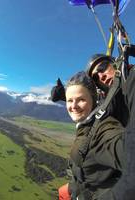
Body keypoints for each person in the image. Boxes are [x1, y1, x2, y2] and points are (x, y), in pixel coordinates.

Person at [60, 71, 124, 200]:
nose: (73, 106)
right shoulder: (88, 122)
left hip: (91, 193)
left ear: (94, 100)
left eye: (81, 100)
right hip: (81, 185)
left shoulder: (103, 130)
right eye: (69, 100)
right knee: (62, 191)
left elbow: (124, 149)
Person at [85, 52, 135, 200]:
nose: (100, 76)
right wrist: (63, 94)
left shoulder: (131, 80)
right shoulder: (115, 96)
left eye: (102, 67)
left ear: (115, 63)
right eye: (95, 78)